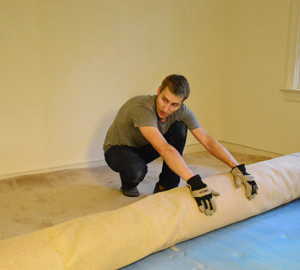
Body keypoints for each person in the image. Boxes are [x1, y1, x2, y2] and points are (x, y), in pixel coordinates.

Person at [103, 74, 257, 216]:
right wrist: (194, 182)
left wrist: (237, 167)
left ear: (182, 103)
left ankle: (166, 186)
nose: (166, 108)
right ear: (159, 90)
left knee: (179, 128)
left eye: (174, 104)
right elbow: (164, 148)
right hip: (118, 150)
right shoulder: (142, 107)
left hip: (145, 146)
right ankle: (128, 184)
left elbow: (207, 140)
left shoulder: (181, 111)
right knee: (137, 170)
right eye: (164, 99)